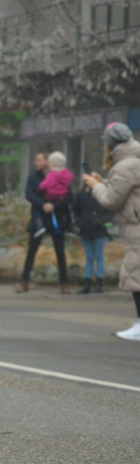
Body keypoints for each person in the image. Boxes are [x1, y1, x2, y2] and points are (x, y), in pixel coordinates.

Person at [83, 123, 140, 340]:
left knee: (136, 276)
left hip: (136, 227)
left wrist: (94, 186)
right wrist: (103, 181)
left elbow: (111, 200)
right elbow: (126, 188)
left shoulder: (124, 166)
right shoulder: (134, 161)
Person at [17, 153, 73, 295]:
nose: (36, 163)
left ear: (48, 162)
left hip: (56, 218)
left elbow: (69, 197)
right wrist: (43, 205)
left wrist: (54, 205)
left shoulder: (61, 176)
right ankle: (24, 281)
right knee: (32, 251)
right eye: (36, 160)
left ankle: (64, 283)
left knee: (60, 251)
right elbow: (29, 194)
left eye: (39, 160)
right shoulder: (34, 177)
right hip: (39, 219)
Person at [73, 181, 113, 294]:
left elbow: (110, 210)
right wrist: (80, 222)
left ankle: (98, 282)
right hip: (86, 230)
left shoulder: (102, 194)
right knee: (89, 257)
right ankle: (88, 282)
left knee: (98, 256)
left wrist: (102, 220)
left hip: (99, 230)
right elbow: (76, 210)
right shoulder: (82, 195)